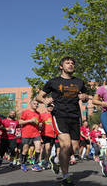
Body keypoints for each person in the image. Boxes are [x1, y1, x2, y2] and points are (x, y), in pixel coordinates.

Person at [35, 56, 89, 186]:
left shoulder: (79, 82)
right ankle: (66, 176)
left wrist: (85, 97)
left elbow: (86, 97)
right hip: (59, 115)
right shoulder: (53, 82)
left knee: (74, 148)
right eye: (67, 63)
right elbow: (39, 96)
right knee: (66, 145)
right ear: (61, 66)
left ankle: (57, 159)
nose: (70, 65)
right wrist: (45, 100)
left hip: (75, 116)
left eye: (72, 63)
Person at [19, 100, 43, 172]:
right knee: (25, 150)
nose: (36, 105)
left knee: (38, 148)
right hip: (26, 133)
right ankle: (23, 164)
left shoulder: (38, 114)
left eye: (37, 104)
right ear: (31, 104)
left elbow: (40, 125)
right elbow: (20, 122)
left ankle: (35, 165)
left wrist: (40, 125)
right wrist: (30, 121)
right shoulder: (26, 112)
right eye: (34, 104)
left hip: (36, 133)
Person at [40, 103, 56, 170]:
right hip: (45, 134)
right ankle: (41, 161)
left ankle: (46, 161)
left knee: (49, 149)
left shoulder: (54, 115)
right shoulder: (43, 115)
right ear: (47, 107)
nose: (50, 107)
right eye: (49, 106)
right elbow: (39, 123)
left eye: (51, 106)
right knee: (45, 148)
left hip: (53, 134)